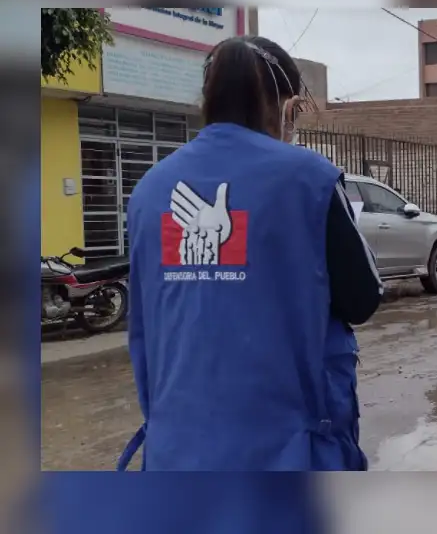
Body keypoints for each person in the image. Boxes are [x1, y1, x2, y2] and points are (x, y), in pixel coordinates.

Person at [117, 35, 383, 471]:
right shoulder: (308, 180)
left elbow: (148, 321)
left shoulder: (150, 189)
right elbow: (362, 297)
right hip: (286, 456)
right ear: (282, 105)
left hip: (176, 454)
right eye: (294, 110)